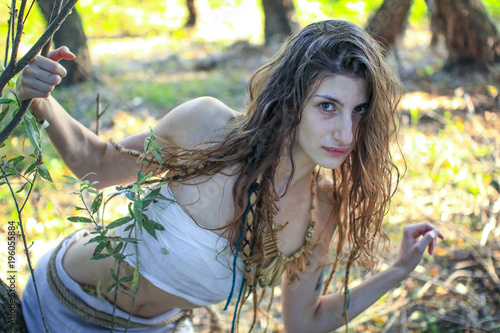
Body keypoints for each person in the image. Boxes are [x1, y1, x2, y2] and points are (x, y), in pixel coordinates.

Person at [17, 20, 444, 332]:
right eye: (328, 106)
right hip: (61, 302)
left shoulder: (323, 208)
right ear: (292, 100)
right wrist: (39, 99)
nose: (347, 133)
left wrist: (399, 271)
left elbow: (304, 322)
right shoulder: (207, 127)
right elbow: (97, 164)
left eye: (359, 110)